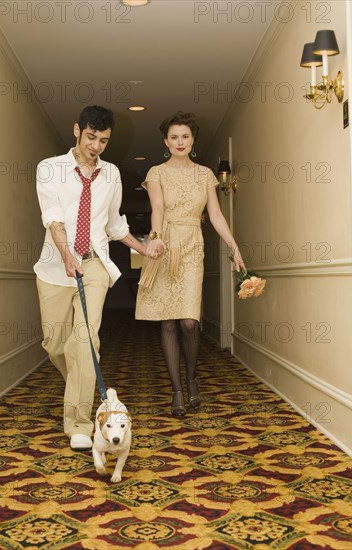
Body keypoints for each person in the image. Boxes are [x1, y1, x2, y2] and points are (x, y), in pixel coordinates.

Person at [34, 105, 148, 451]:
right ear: (76, 131)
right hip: (56, 264)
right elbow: (53, 217)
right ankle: (81, 388)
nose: (96, 146)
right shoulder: (50, 169)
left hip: (95, 263)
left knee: (85, 342)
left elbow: (114, 224)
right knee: (55, 344)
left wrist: (142, 248)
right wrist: (67, 254)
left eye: (104, 140)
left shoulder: (111, 174)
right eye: (91, 138)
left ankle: (80, 422)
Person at [135, 111, 245, 416]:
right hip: (165, 245)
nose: (180, 142)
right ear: (165, 142)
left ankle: (192, 377)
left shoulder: (206, 174)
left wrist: (233, 247)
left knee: (188, 321)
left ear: (193, 140)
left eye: (185, 136)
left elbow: (216, 215)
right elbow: (157, 206)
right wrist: (155, 238)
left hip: (193, 246)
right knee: (168, 321)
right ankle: (177, 391)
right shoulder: (157, 172)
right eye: (174, 137)